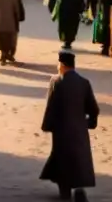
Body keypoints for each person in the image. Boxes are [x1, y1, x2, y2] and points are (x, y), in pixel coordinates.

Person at [40, 50, 99, 201]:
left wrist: (47, 125)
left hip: (61, 129)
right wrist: (91, 122)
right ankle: (79, 189)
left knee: (62, 159)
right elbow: (93, 108)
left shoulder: (56, 82)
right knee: (78, 159)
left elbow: (51, 106)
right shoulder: (84, 82)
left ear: (62, 64)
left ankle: (65, 191)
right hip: (79, 128)